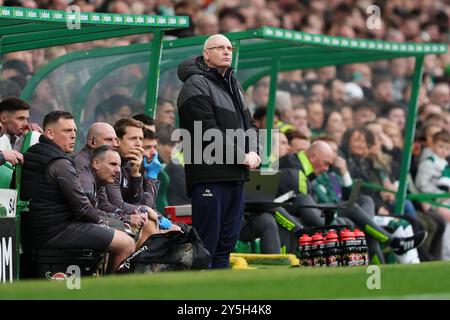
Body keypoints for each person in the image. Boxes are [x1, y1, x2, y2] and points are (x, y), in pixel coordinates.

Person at [177, 34, 261, 268]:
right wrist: (241, 156)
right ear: (206, 54)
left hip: (236, 175)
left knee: (226, 246)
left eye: (229, 47)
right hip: (209, 176)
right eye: (219, 47)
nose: (226, 51)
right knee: (206, 247)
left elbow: (250, 125)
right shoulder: (195, 84)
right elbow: (206, 129)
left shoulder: (234, 85)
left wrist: (254, 153)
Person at [20, 111, 135, 273]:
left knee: (114, 233)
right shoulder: (60, 163)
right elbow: (82, 207)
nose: (73, 135)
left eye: (74, 130)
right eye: (67, 131)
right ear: (50, 133)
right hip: (56, 231)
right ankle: (111, 292)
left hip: (36, 231)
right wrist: (103, 224)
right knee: (126, 243)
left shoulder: (33, 153)